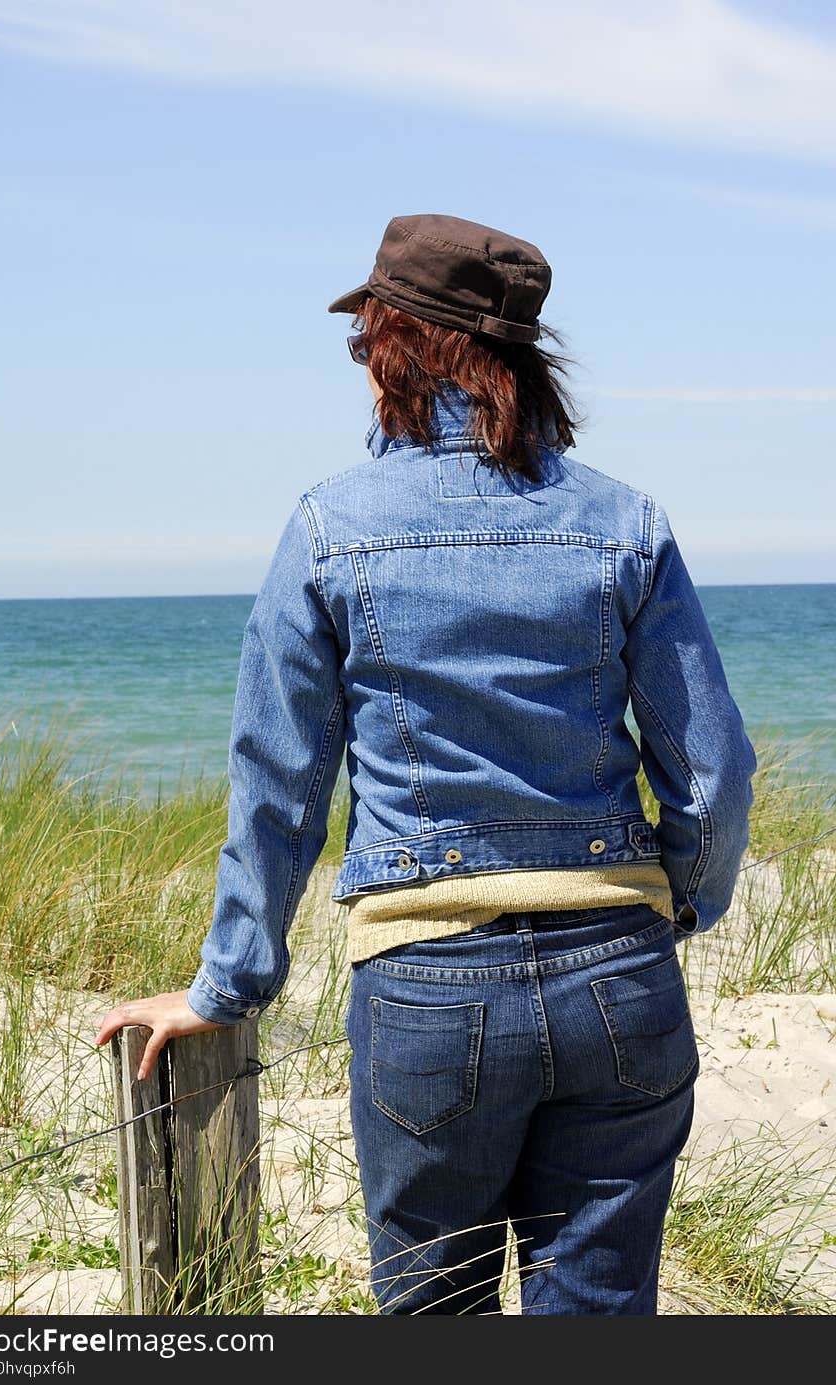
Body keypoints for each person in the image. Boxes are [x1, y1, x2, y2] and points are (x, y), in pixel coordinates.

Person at [96, 213, 757, 1315]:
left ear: (402, 351)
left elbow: (281, 783)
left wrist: (230, 984)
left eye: (366, 347)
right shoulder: (624, 524)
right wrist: (676, 902)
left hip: (429, 990)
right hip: (619, 978)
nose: (361, 372)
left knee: (433, 1312)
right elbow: (713, 772)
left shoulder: (329, 526)